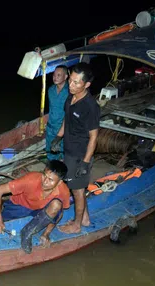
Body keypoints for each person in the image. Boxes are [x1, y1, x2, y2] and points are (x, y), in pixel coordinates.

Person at [51, 62, 100, 234]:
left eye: (76, 83)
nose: (71, 85)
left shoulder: (90, 106)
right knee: (76, 188)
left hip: (80, 155)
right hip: (69, 151)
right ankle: (85, 218)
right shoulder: (70, 97)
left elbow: (94, 136)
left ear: (86, 84)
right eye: (70, 80)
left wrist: (85, 163)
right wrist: (58, 136)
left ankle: (77, 224)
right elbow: (67, 119)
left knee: (77, 191)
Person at [0, 160, 70, 253]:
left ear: (60, 182)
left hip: (39, 209)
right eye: (44, 175)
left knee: (57, 205)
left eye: (51, 180)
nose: (45, 182)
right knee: (3, 229)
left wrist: (46, 234)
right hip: (18, 206)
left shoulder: (63, 191)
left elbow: (59, 214)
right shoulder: (30, 179)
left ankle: (27, 232)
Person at [46, 65, 69, 160]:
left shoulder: (70, 92)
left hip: (63, 128)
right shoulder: (51, 90)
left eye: (59, 75)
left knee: (64, 151)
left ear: (66, 77)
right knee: (50, 149)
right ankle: (51, 166)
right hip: (50, 126)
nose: (55, 77)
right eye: (54, 75)